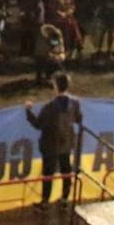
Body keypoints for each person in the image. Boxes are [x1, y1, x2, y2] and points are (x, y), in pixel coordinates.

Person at [25, 73, 82, 207]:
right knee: (66, 170)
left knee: (48, 173)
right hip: (66, 142)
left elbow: (38, 124)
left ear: (56, 86)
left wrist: (28, 111)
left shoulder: (50, 107)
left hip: (50, 144)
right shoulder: (75, 103)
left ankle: (45, 201)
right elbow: (79, 119)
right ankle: (64, 199)